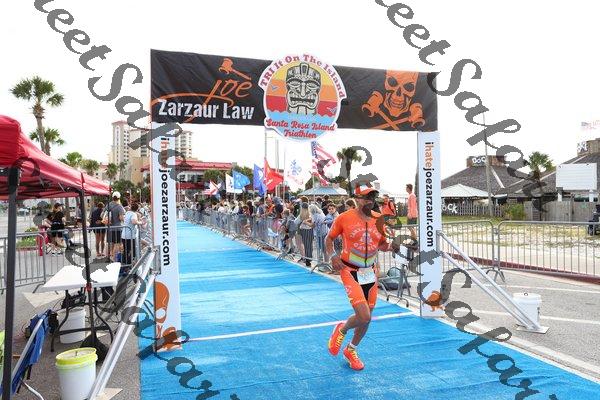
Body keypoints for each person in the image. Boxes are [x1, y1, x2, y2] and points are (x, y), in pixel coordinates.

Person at [325, 184, 399, 371]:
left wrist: (394, 246)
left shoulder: (378, 219)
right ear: (357, 199)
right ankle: (342, 329)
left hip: (370, 272)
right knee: (363, 315)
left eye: (372, 197)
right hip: (349, 270)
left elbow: (382, 245)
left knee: (367, 318)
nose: (369, 201)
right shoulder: (344, 218)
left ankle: (351, 350)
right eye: (366, 197)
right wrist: (333, 256)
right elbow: (329, 238)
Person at [106, 192, 125, 262]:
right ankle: (114, 260)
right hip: (117, 228)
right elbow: (121, 218)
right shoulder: (119, 206)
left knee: (110, 243)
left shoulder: (108, 205)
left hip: (109, 228)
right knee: (117, 244)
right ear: (119, 198)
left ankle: (108, 258)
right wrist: (125, 219)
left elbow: (102, 215)